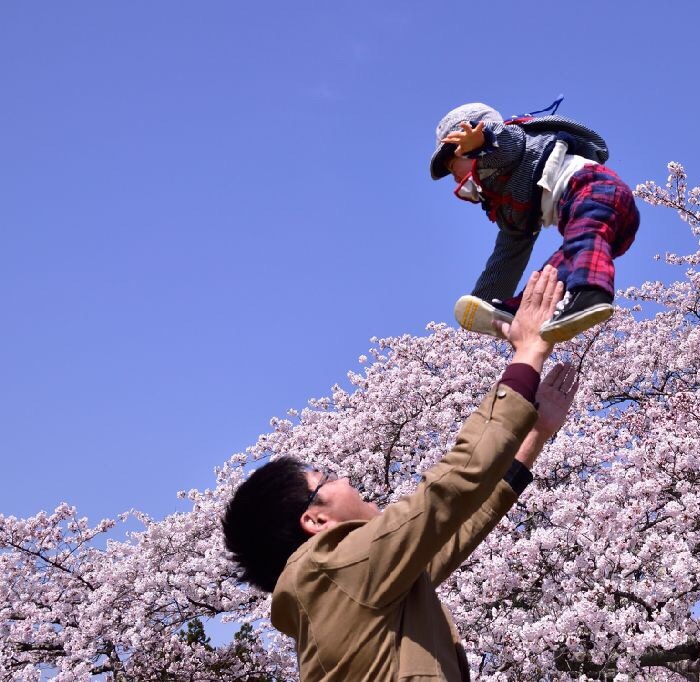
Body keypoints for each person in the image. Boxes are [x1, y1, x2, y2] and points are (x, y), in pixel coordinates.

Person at [221, 266, 579, 681]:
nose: (346, 480)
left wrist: (533, 436)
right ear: (315, 519)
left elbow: (456, 525)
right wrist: (527, 352)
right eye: (327, 478)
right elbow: (449, 489)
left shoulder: (352, 587)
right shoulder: (333, 570)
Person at [430, 99, 640, 343]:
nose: (450, 167)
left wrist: (484, 141)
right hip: (606, 227)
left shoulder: (513, 143)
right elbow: (509, 251)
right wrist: (484, 302)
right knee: (552, 274)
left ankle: (590, 291)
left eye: (452, 155)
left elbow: (508, 144)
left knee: (582, 241)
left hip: (594, 190)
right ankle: (519, 310)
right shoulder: (504, 198)